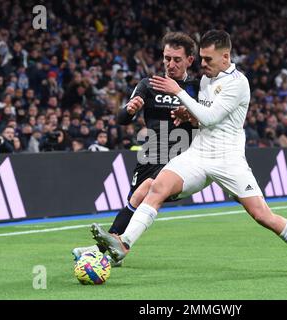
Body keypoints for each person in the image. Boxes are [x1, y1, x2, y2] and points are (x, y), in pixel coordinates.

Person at [91, 30, 287, 275]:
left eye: (208, 59)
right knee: (157, 186)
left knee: (262, 216)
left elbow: (210, 117)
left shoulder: (238, 83)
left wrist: (178, 93)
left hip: (228, 160)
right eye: (201, 58)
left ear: (226, 57)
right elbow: (201, 118)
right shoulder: (205, 80)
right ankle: (124, 244)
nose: (203, 64)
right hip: (198, 154)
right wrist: (186, 114)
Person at [72, 32, 200, 265]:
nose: (170, 64)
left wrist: (190, 115)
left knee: (146, 190)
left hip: (181, 157)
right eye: (167, 58)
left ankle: (107, 249)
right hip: (151, 154)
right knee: (136, 199)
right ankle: (110, 248)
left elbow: (208, 118)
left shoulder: (196, 88)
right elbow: (121, 118)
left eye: (177, 59)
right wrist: (130, 109)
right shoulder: (149, 85)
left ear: (190, 60)